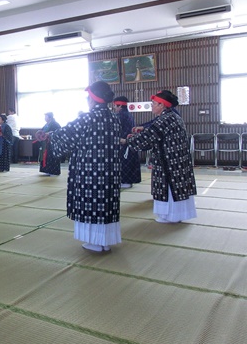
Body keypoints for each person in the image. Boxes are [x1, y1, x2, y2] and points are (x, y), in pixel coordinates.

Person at [49, 81, 122, 252]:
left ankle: (94, 242)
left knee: (91, 205)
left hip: (90, 172)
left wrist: (51, 136)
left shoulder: (87, 118)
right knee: (107, 204)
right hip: (110, 171)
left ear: (92, 100)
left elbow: (66, 135)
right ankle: (104, 241)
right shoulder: (114, 118)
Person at [124, 90, 197, 223]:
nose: (151, 106)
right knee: (177, 188)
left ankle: (170, 216)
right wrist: (141, 132)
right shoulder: (172, 116)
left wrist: (126, 141)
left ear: (162, 105)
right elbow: (155, 133)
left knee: (170, 188)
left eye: (153, 103)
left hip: (168, 162)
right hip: (177, 160)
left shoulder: (165, 119)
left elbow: (149, 137)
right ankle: (177, 215)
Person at [112, 96, 141, 188]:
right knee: (129, 162)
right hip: (130, 142)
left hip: (123, 142)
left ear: (120, 105)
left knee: (124, 163)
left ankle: (125, 182)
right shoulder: (128, 114)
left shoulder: (120, 115)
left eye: (116, 106)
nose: (115, 108)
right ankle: (128, 181)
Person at [37, 112, 62, 176]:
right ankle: (47, 170)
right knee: (46, 156)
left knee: (52, 156)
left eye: (46, 117)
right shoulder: (46, 124)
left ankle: (54, 171)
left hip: (53, 143)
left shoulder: (55, 124)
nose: (45, 118)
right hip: (46, 143)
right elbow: (42, 131)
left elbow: (59, 132)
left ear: (50, 117)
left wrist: (49, 134)